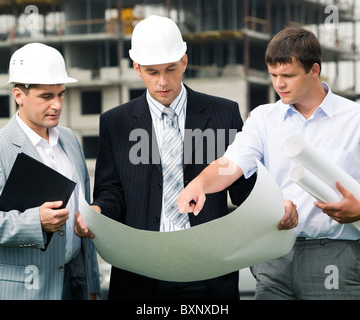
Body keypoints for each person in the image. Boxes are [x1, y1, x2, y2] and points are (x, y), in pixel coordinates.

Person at [75, 15, 296, 300]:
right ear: (137, 69)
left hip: (207, 273)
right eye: (152, 72)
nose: (163, 81)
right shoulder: (115, 123)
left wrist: (277, 207)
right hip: (140, 273)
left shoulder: (222, 114)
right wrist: (98, 213)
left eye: (170, 69)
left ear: (184, 62)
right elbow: (111, 192)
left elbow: (243, 188)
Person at [177, 27, 360, 300]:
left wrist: (359, 209)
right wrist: (200, 184)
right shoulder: (263, 119)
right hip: (273, 253)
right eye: (273, 75)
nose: (279, 84)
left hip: (333, 254)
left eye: (288, 75)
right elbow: (231, 163)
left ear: (314, 70)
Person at [0, 43, 100, 300]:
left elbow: (84, 212)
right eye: (46, 96)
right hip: (21, 291)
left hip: (74, 283)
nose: (57, 104)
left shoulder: (70, 140)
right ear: (18, 95)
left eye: (61, 94)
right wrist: (35, 223)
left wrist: (91, 286)